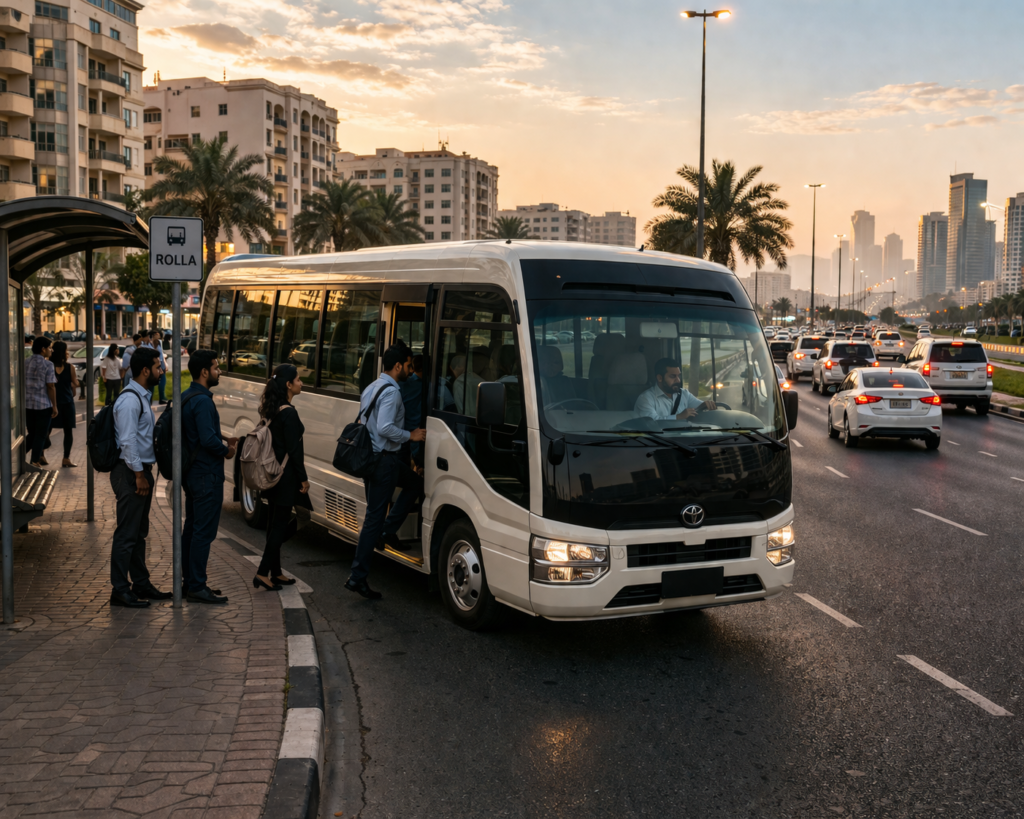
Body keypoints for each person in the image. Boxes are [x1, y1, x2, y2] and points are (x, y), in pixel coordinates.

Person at [346, 345, 426, 600]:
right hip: (384, 462)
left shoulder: (372, 387)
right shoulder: (392, 392)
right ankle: (357, 577)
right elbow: (384, 428)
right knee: (373, 520)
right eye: (408, 365)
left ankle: (386, 531)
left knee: (413, 484)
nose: (410, 370)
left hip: (372, 460)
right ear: (398, 366)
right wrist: (410, 435)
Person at [109, 346, 171, 608]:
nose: (162, 370)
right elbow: (127, 441)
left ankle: (141, 584)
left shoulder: (141, 396)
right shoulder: (130, 400)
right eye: (158, 366)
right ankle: (120, 590)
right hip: (131, 473)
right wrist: (138, 475)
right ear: (146, 370)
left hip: (140, 472)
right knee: (126, 535)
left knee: (137, 533)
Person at [180, 350, 237, 604]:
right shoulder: (203, 401)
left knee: (192, 530)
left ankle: (189, 582)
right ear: (204, 372)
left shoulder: (187, 396)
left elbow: (198, 433)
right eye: (216, 367)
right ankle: (197, 586)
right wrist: (226, 450)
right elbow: (206, 439)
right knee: (203, 532)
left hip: (193, 474)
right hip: (206, 475)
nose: (219, 371)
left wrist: (221, 437)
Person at [254, 364, 308, 592]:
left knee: (272, 524)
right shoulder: (290, 413)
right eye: (298, 379)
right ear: (288, 384)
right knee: (279, 526)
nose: (301, 382)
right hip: (285, 478)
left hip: (271, 474)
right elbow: (295, 452)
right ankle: (262, 573)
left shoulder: (271, 410)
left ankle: (275, 572)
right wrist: (303, 479)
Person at [634, 357, 717, 421]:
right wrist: (678, 417)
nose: (678, 380)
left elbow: (699, 407)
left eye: (679, 376)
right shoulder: (646, 399)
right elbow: (652, 423)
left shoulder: (684, 394)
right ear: (660, 378)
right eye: (673, 376)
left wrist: (706, 405)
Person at [25, 336, 58, 467]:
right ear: (43, 349)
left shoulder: (25, 362)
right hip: (43, 405)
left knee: (32, 433)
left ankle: (17, 455)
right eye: (50, 347)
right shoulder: (48, 364)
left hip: (27, 405)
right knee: (40, 434)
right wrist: (54, 406)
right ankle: (34, 461)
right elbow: (51, 386)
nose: (51, 350)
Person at [50, 341, 80, 468]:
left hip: (52, 403)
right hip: (67, 402)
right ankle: (66, 458)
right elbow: (76, 383)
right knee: (68, 432)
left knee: (47, 429)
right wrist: (70, 385)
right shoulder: (70, 367)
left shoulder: (49, 366)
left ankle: (40, 455)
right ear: (65, 352)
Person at [143, 329, 168, 404]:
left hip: (161, 365)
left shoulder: (159, 342)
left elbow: (161, 354)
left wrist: (164, 365)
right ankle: (149, 400)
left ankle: (162, 398)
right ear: (153, 336)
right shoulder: (149, 344)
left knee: (162, 382)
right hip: (154, 366)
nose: (158, 335)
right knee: (152, 383)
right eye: (156, 334)